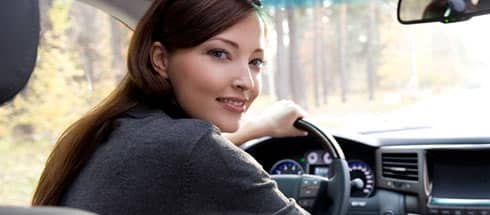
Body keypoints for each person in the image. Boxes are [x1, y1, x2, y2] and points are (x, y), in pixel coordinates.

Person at [31, 0, 310, 214]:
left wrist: (258, 127)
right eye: (219, 53)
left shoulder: (116, 129)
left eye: (255, 62)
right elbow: (193, 154)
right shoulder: (190, 148)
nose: (246, 81)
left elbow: (182, 158)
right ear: (161, 59)